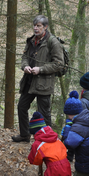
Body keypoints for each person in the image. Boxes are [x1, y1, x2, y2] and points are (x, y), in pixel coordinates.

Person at [12, 15, 64, 143]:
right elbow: (24, 57)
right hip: (28, 82)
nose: (35, 28)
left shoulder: (53, 42)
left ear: (45, 27)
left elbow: (59, 64)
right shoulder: (31, 40)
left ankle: (48, 141)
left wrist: (40, 69)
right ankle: (24, 135)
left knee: (44, 113)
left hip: (44, 84)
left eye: (38, 26)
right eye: (34, 25)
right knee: (22, 107)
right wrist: (25, 66)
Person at [61, 91, 82, 162]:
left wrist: (66, 130)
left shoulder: (70, 124)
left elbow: (68, 141)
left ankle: (70, 156)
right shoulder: (83, 120)